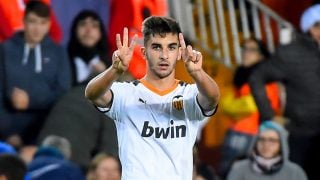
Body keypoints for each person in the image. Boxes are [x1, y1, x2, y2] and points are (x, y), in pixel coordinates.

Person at [85, 16, 220, 179]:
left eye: (171, 47)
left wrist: (198, 73)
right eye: (156, 47)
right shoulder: (126, 94)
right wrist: (115, 70)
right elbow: (92, 93)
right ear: (144, 52)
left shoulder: (190, 95)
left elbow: (213, 98)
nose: (164, 55)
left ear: (178, 53)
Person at [248, 4, 320, 180]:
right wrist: (268, 115)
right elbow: (257, 77)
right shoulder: (291, 53)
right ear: (313, 29)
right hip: (301, 136)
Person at [0, 0, 71, 145]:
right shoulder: (5, 49)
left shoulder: (59, 53)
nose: (37, 28)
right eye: (33, 21)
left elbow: (63, 93)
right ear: (24, 22)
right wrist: (8, 133)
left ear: (49, 25)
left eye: (43, 23)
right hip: (6, 133)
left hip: (44, 132)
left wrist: (31, 100)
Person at [219, 38, 282, 178]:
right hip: (236, 131)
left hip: (254, 134)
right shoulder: (240, 75)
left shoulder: (264, 78)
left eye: (252, 50)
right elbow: (224, 103)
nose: (246, 53)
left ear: (261, 56)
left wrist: (233, 106)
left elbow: (250, 105)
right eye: (244, 49)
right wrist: (233, 106)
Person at [227, 121, 307, 180]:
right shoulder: (239, 168)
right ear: (255, 142)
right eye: (262, 139)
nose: (266, 144)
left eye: (272, 140)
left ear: (282, 144)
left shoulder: (295, 172)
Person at [67, 10, 111, 85]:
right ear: (74, 30)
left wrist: (106, 73)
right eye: (83, 24)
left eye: (94, 25)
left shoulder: (112, 64)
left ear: (101, 33)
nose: (88, 30)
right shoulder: (62, 60)